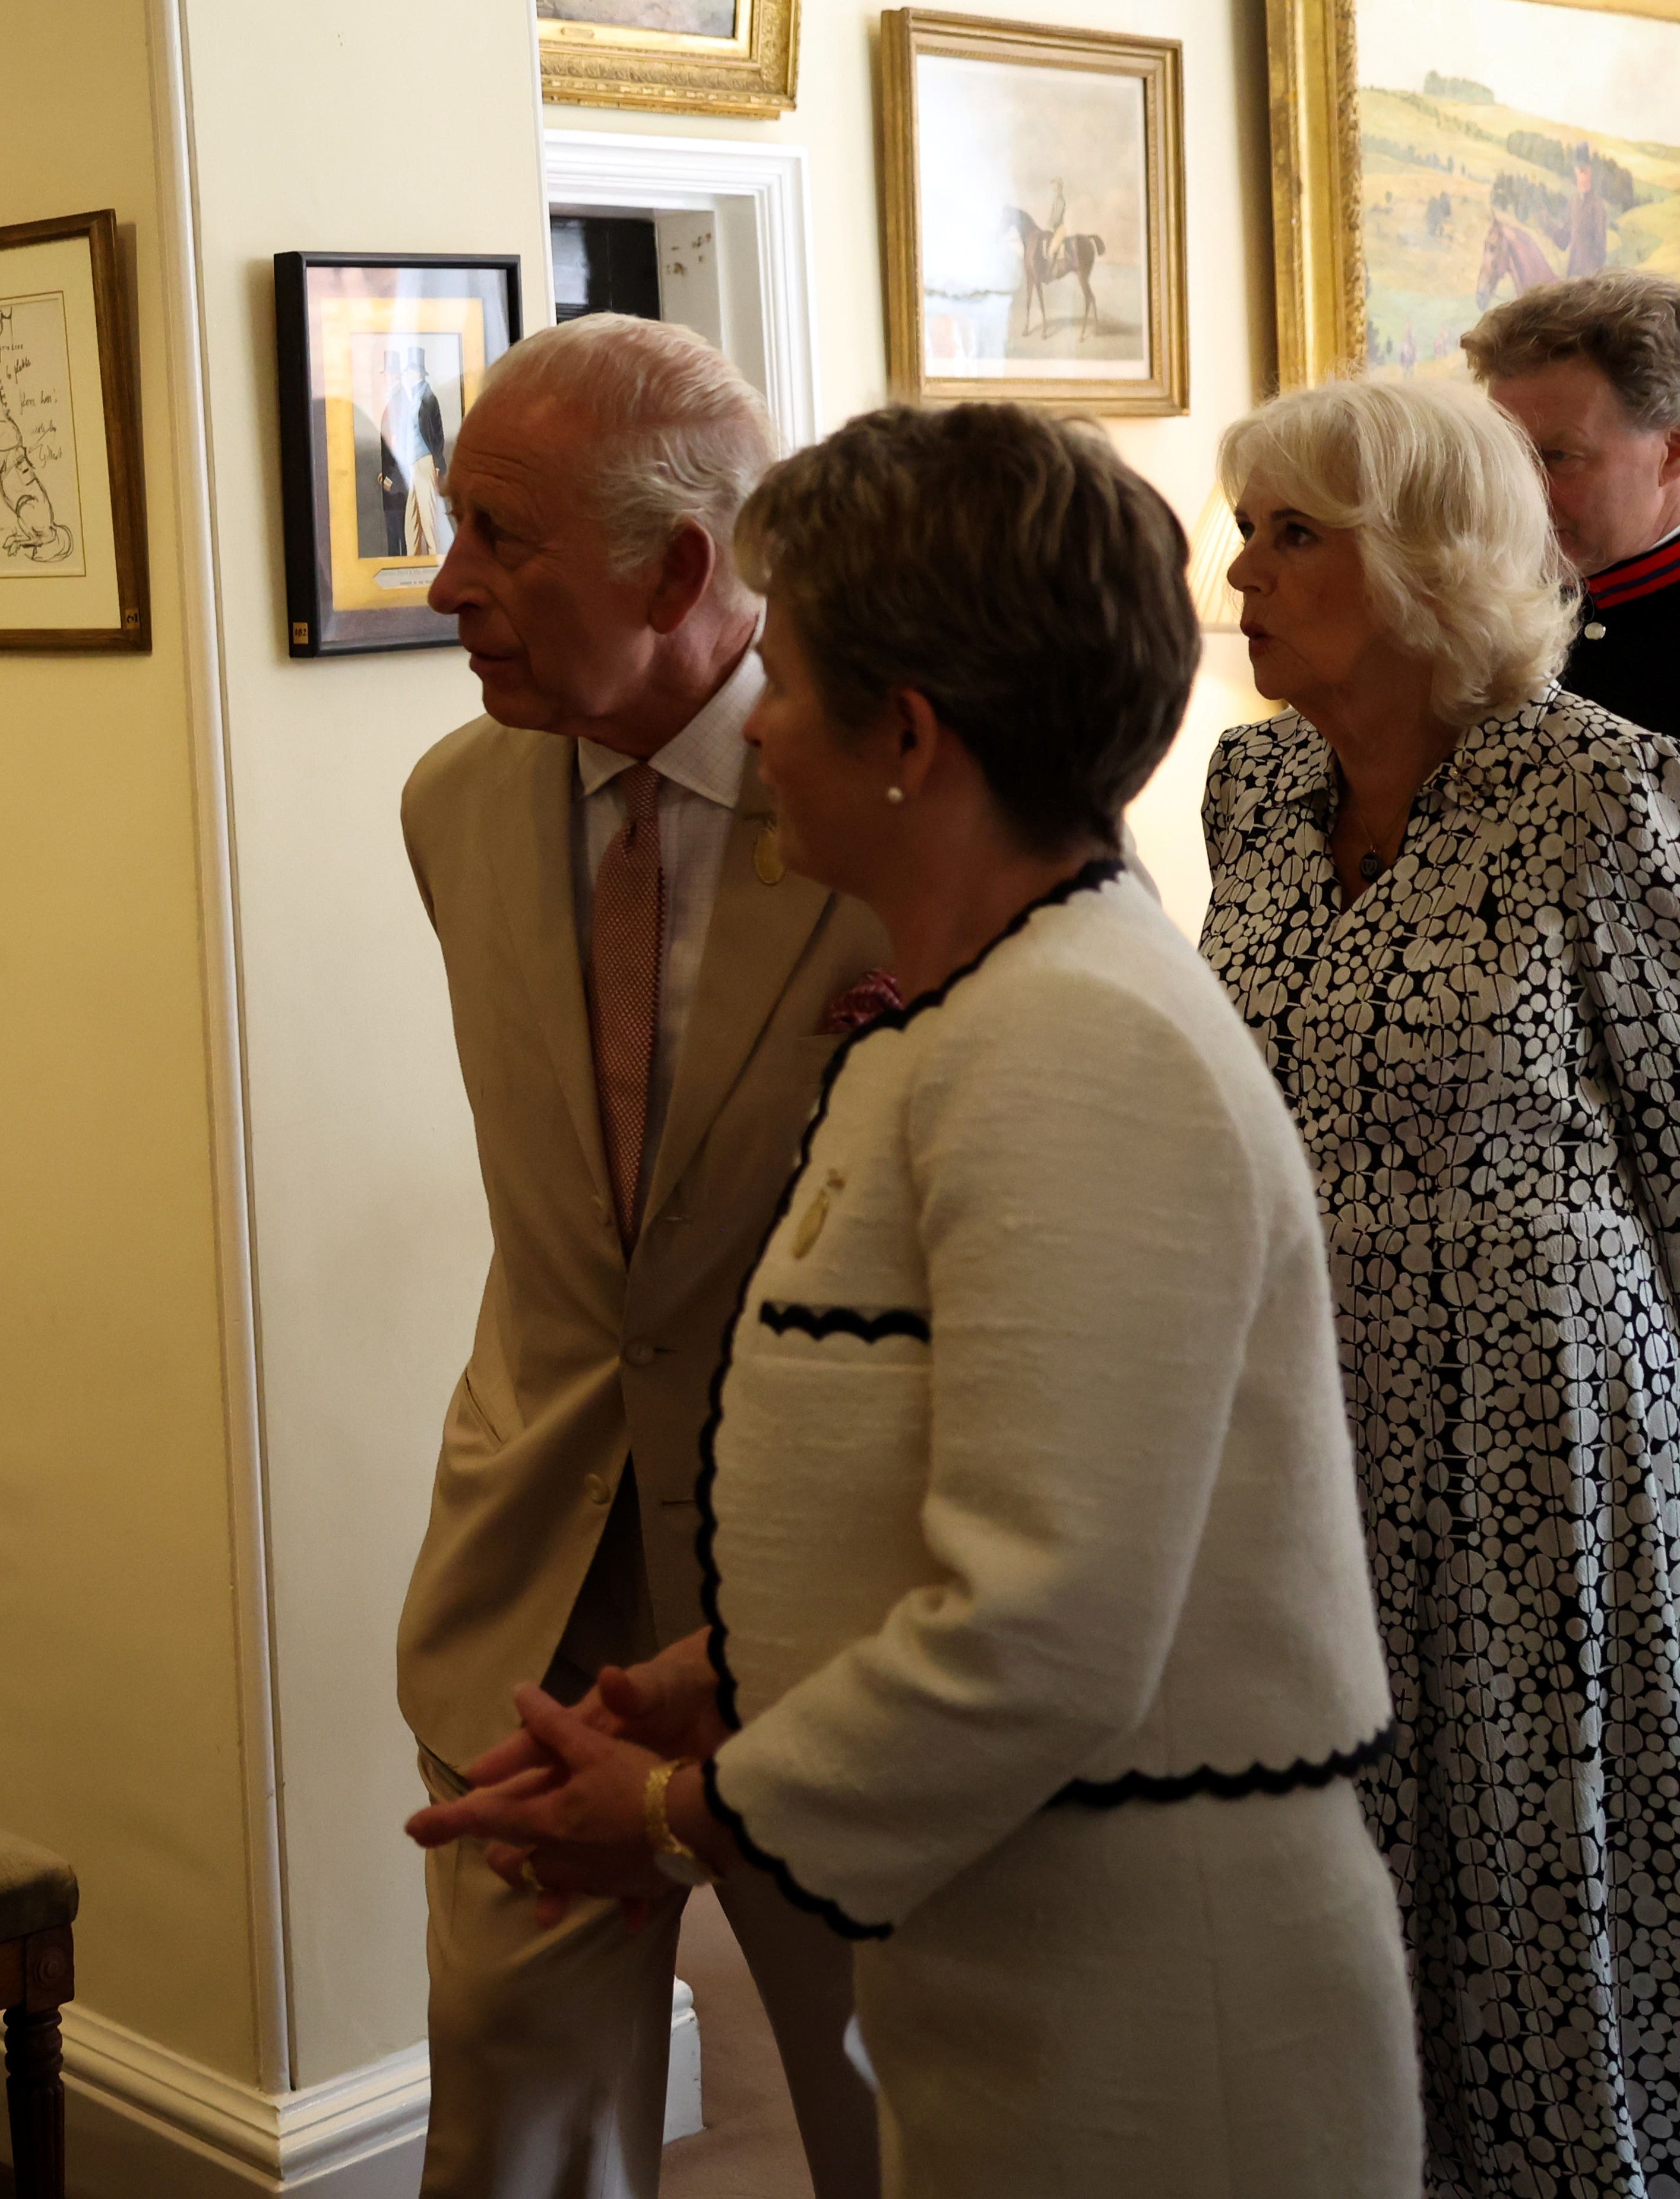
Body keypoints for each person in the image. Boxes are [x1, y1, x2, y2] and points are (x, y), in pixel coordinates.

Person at [414, 399, 1417, 2198]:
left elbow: (1043, 1625)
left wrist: (668, 1815)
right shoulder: (969, 1019)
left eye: (781, 682)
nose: (755, 730)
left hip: (1140, 1987)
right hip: (1008, 1952)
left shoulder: (1082, 1050)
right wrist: (727, 1679)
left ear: (905, 736)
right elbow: (962, 1495)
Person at [394, 314, 885, 2199]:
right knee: (505, 2126)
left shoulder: (897, 803)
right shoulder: (450, 807)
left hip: (815, 1591)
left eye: (499, 539)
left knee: (871, 2109)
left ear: (679, 568)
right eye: (452, 525)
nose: (449, 587)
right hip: (529, 1576)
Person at [1201, 372, 1680, 2197]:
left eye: (1287, 534)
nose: (1235, 572)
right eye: (1243, 530)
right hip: (1304, 1426)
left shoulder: (1598, 792)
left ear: (1416, 559)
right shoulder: (1246, 793)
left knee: (1534, 1871)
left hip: (1540, 1448)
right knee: (1341, 1874)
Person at [1465, 269, 1680, 735]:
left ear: (1672, 453)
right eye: (1508, 454)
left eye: (1558, 457)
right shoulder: (1476, 608)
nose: (1522, 491)